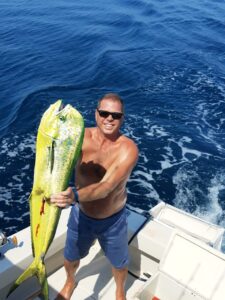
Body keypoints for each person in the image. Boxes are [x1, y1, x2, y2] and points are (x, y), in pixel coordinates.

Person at [51, 93, 139, 300]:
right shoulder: (80, 139)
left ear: (122, 118)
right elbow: (57, 158)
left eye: (115, 115)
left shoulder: (128, 149)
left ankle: (119, 292)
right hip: (81, 215)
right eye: (104, 113)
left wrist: (73, 195)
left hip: (113, 221)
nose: (109, 118)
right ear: (96, 114)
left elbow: (106, 187)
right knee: (71, 257)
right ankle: (70, 281)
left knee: (119, 263)